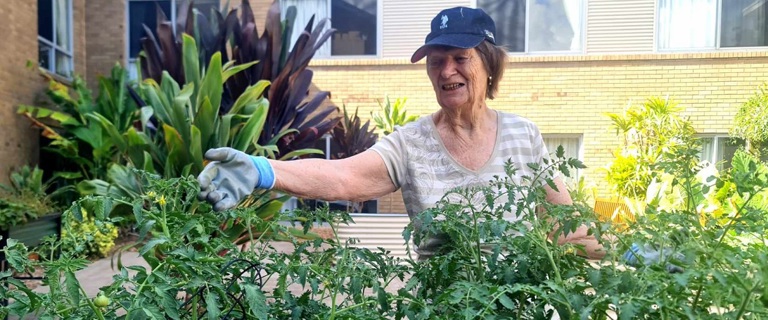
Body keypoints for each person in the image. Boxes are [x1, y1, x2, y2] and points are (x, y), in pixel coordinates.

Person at [198, 6, 607, 260]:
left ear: (489, 64)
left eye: (460, 58)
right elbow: (345, 176)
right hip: (445, 305)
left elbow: (564, 225)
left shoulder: (525, 135)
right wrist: (263, 170)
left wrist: (637, 253)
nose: (446, 71)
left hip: (515, 307)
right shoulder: (411, 143)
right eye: (435, 61)